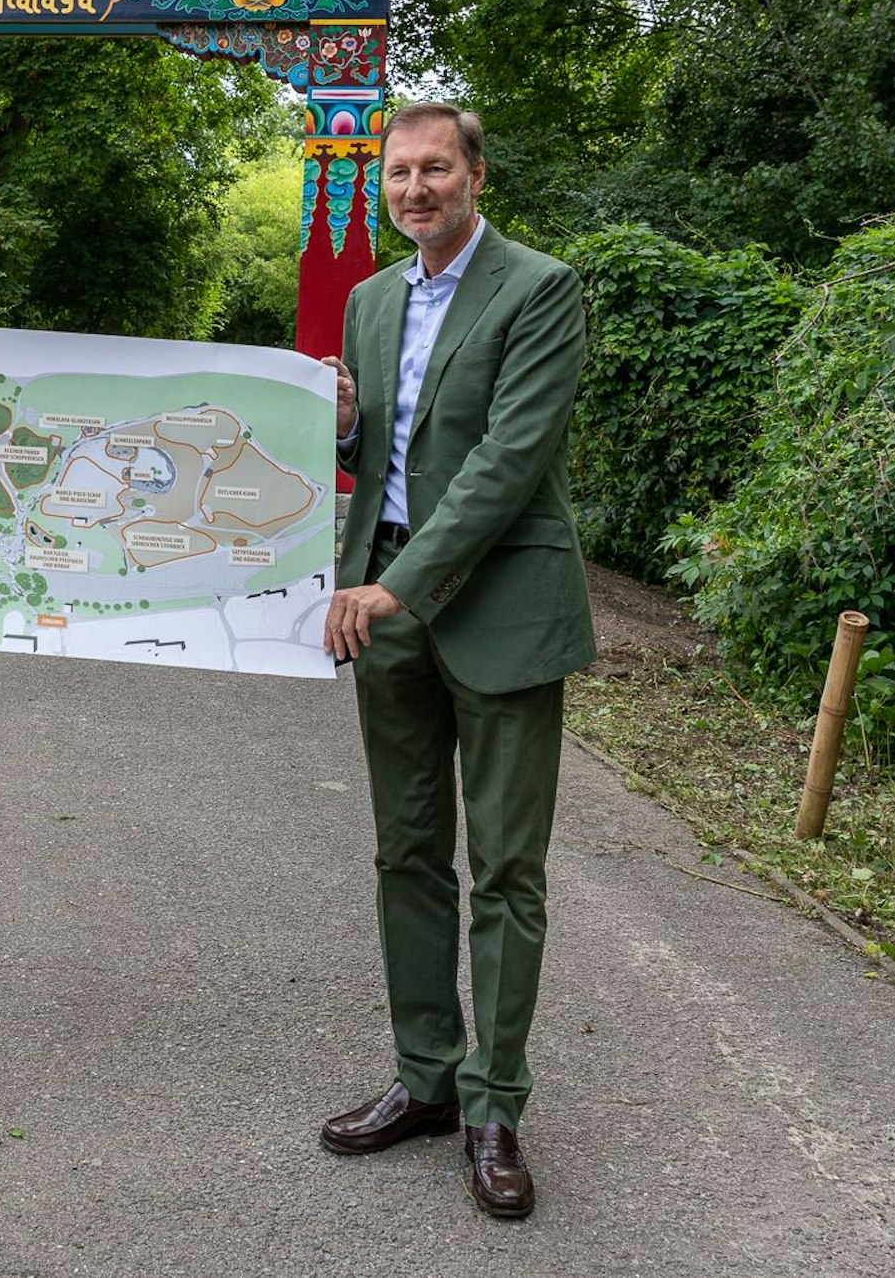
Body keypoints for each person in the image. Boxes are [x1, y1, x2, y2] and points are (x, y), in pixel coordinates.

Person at [318, 102, 595, 1219]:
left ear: (475, 175)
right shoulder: (369, 300)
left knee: (509, 871)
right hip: (387, 601)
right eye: (398, 172)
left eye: (435, 168)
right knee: (407, 853)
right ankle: (425, 1079)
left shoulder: (538, 288)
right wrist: (338, 424)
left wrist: (399, 583)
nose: (415, 188)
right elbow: (380, 450)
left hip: (495, 606)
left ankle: (494, 1107)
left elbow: (506, 459)